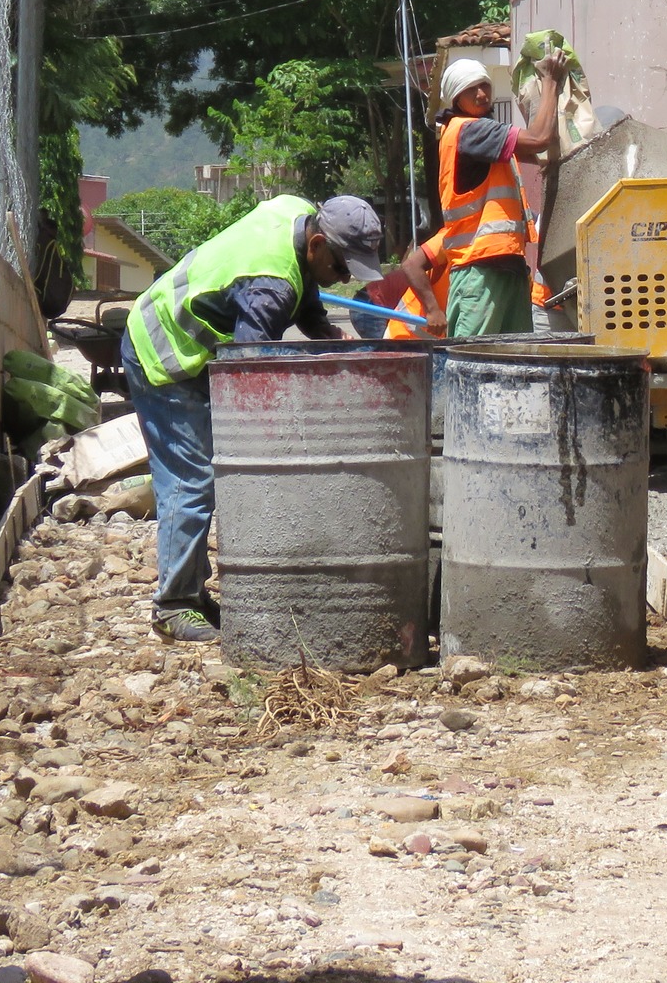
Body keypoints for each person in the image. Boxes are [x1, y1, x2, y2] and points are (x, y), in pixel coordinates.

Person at [124, 193, 385, 642]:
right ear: (317, 243)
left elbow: (304, 291)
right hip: (163, 352)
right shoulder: (270, 285)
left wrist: (331, 335)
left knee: (204, 474)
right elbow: (251, 374)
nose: (343, 278)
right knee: (193, 480)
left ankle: (192, 591)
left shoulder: (295, 213)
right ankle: (173, 605)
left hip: (186, 343)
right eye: (341, 267)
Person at [434, 51, 566, 337]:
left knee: (516, 365)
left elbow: (542, 148)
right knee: (473, 363)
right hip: (479, 271)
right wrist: (551, 82)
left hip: (506, 266)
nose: (482, 94)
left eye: (485, 86)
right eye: (471, 89)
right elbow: (540, 139)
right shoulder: (469, 131)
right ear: (456, 97)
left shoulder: (479, 138)